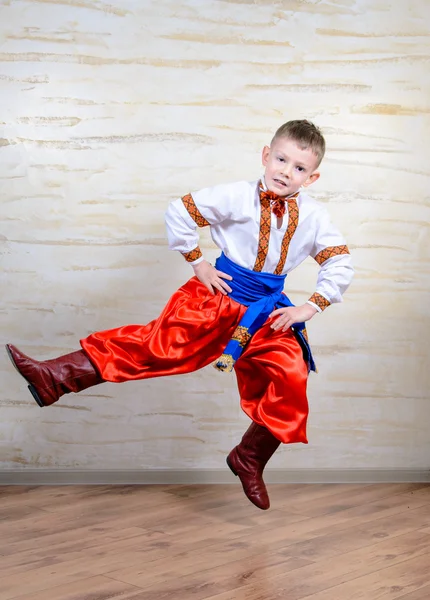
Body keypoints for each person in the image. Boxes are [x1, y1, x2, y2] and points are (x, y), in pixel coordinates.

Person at [6, 120, 354, 510]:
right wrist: (199, 264)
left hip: (266, 312)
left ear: (312, 177)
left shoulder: (314, 217)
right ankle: (55, 377)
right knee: (156, 348)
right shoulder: (236, 196)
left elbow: (339, 262)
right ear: (265, 155)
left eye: (299, 168)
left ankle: (249, 457)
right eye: (281, 159)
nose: (286, 172)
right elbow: (181, 211)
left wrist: (310, 306)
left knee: (291, 375)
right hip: (217, 298)